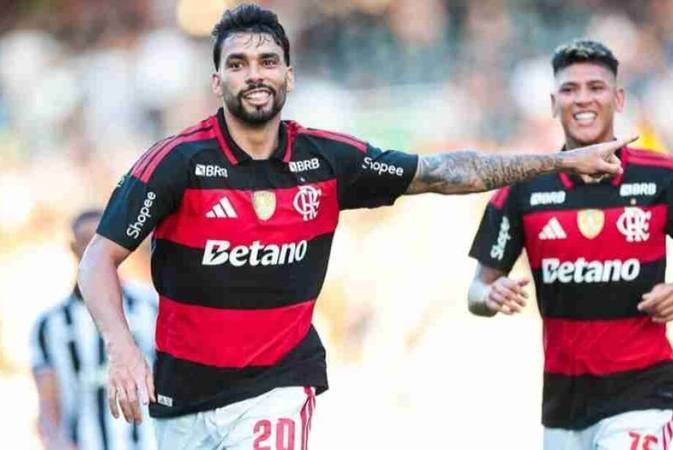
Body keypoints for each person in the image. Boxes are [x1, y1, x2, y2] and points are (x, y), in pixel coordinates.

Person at [77, 5, 632, 449]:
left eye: (268, 61)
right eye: (239, 64)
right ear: (217, 79)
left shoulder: (327, 159)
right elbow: (99, 258)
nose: (255, 74)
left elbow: (448, 172)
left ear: (289, 75)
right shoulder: (175, 162)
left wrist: (560, 161)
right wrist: (122, 348)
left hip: (277, 387)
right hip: (181, 397)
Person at [467, 39, 673, 450]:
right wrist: (490, 295)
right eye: (569, 89)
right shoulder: (523, 189)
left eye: (595, 87)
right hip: (563, 409)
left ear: (618, 98)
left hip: (644, 397)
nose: (582, 99)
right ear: (552, 102)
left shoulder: (661, 177)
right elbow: (476, 290)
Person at [30, 209, 158, 450]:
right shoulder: (50, 325)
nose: (96, 251)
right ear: (73, 248)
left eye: (103, 241)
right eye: (87, 242)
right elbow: (47, 405)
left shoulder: (151, 307)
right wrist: (56, 442)